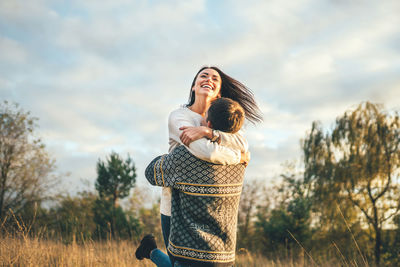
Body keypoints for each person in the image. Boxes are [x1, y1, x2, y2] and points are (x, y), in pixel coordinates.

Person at [136, 66, 262, 266]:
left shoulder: (226, 116)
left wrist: (208, 132)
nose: (208, 79)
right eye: (203, 76)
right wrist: (238, 157)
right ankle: (151, 251)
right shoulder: (179, 117)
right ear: (194, 86)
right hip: (177, 203)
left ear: (219, 91)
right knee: (182, 258)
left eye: (215, 78)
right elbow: (206, 151)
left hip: (213, 204)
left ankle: (150, 250)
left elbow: (243, 144)